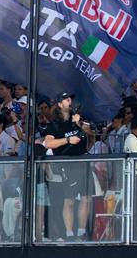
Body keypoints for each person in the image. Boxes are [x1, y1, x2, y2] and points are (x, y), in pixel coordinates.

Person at [43, 92, 90, 242]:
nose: (70, 101)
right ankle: (69, 233)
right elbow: (48, 143)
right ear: (59, 104)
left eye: (71, 99)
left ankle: (82, 232)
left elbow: (90, 137)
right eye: (66, 99)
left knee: (86, 198)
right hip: (67, 163)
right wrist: (68, 140)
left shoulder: (77, 120)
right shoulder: (54, 125)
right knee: (68, 200)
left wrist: (79, 125)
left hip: (83, 160)